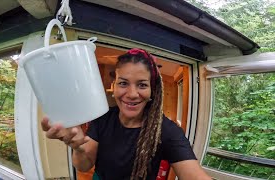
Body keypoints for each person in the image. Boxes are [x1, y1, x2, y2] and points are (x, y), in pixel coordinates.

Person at [41, 48, 211, 180]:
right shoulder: (103, 118)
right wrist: (77, 147)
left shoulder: (167, 130)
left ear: (153, 91)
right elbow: (84, 166)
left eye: (142, 85)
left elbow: (194, 175)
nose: (132, 94)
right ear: (114, 86)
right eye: (123, 83)